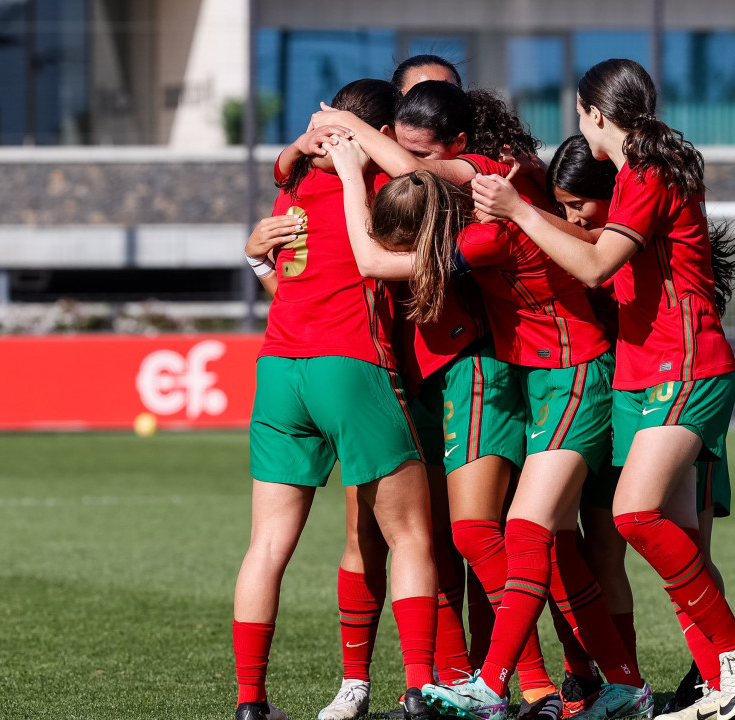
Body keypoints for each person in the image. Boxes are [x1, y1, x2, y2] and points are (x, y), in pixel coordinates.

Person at [471, 58, 735, 720]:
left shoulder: (647, 172)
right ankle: (725, 686)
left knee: (636, 516)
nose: (577, 123)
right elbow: (602, 252)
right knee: (678, 539)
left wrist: (518, 209)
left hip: (684, 366)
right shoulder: (642, 171)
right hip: (649, 370)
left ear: (594, 115)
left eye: (579, 113)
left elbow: (598, 263)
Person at [329, 134, 652, 720]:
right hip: (548, 380)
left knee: (523, 532)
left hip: (575, 372)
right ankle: (623, 685)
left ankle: (498, 685)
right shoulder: (489, 203)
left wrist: (352, 173)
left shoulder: (485, 238)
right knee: (550, 545)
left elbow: (373, 261)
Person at [272, 58, 474, 720]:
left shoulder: (444, 177)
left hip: (458, 374)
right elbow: (295, 266)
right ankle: (363, 682)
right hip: (383, 375)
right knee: (374, 535)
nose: (414, 128)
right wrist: (256, 250)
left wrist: (345, 137)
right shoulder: (329, 178)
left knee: (461, 535)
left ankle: (474, 679)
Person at [232, 79, 438, 720]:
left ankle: (251, 703)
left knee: (266, 544)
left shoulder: (292, 188)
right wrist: (354, 146)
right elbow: (421, 181)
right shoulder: (379, 190)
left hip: (278, 371)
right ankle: (418, 692)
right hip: (348, 367)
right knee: (410, 537)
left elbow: (282, 275)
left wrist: (301, 148)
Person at [532, 134, 735, 716]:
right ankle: (705, 682)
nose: (573, 217)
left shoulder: (643, 210)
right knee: (663, 546)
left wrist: (519, 211)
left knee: (674, 540)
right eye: (565, 208)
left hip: (682, 382)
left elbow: (598, 266)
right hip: (638, 389)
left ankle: (728, 663)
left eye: (581, 205)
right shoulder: (619, 229)